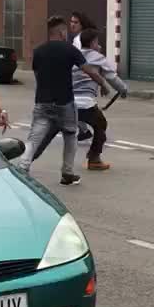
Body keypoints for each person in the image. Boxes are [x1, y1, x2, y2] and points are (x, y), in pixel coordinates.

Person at [18, 16, 109, 186]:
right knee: (70, 135)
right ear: (62, 32)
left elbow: (37, 75)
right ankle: (67, 173)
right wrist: (102, 84)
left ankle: (22, 167)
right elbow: (88, 70)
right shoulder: (70, 50)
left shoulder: (39, 51)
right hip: (64, 101)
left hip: (42, 102)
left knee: (35, 136)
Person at [73, 28, 128, 171]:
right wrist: (123, 89)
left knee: (53, 130)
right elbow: (111, 77)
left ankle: (29, 159)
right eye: (97, 42)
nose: (99, 45)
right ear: (92, 43)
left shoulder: (73, 55)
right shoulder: (97, 57)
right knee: (101, 125)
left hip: (67, 102)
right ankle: (94, 158)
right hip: (85, 103)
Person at [69, 12, 96, 139]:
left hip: (80, 77)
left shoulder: (79, 39)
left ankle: (85, 130)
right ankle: (84, 130)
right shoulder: (82, 37)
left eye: (76, 22)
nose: (72, 24)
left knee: (73, 104)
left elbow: (81, 58)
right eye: (71, 22)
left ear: (82, 24)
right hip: (83, 76)